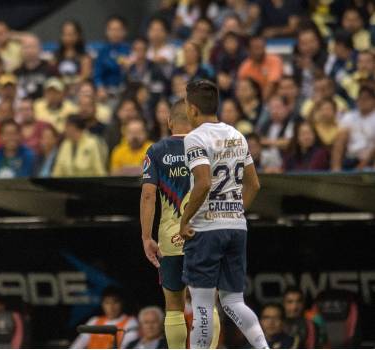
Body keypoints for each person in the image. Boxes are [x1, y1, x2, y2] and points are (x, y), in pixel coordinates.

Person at [179, 80, 267, 348]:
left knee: (203, 304)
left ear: (193, 109)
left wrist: (184, 220)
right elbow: (254, 184)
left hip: (205, 229)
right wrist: (235, 212)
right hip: (236, 227)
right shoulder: (237, 135)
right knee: (233, 302)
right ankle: (264, 347)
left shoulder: (195, 137)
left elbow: (203, 182)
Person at [140, 99, 221, 349]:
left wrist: (146, 237)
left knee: (174, 306)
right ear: (195, 119)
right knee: (207, 303)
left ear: (168, 121)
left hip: (170, 240)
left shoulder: (156, 151)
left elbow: (148, 195)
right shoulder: (209, 147)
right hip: (205, 235)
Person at [70, 289, 138, 349]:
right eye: (107, 303)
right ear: (102, 304)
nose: (111, 307)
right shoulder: (94, 321)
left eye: (115, 302)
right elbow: (77, 345)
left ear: (122, 303)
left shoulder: (131, 322)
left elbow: (127, 346)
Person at [331, 85, 375, 170]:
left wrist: (362, 165)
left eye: (366, 99)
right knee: (341, 135)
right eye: (360, 98)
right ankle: (336, 170)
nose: (362, 101)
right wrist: (336, 167)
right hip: (351, 158)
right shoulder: (349, 116)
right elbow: (339, 142)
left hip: (370, 159)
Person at [94, 15, 130, 102]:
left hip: (125, 92)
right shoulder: (102, 51)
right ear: (107, 32)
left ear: (124, 32)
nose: (115, 33)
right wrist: (100, 89)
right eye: (112, 30)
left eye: (118, 30)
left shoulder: (130, 50)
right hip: (106, 91)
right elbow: (97, 75)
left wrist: (128, 68)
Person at [237, 36, 283, 100]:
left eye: (261, 47)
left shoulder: (275, 60)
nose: (259, 51)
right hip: (253, 100)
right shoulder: (245, 66)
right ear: (249, 50)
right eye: (256, 48)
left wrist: (260, 104)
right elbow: (241, 88)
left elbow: (272, 84)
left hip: (273, 98)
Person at [14, 34, 56, 99]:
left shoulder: (50, 69)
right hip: (23, 107)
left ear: (40, 48)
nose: (29, 51)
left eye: (33, 47)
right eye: (26, 47)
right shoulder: (16, 72)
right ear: (21, 50)